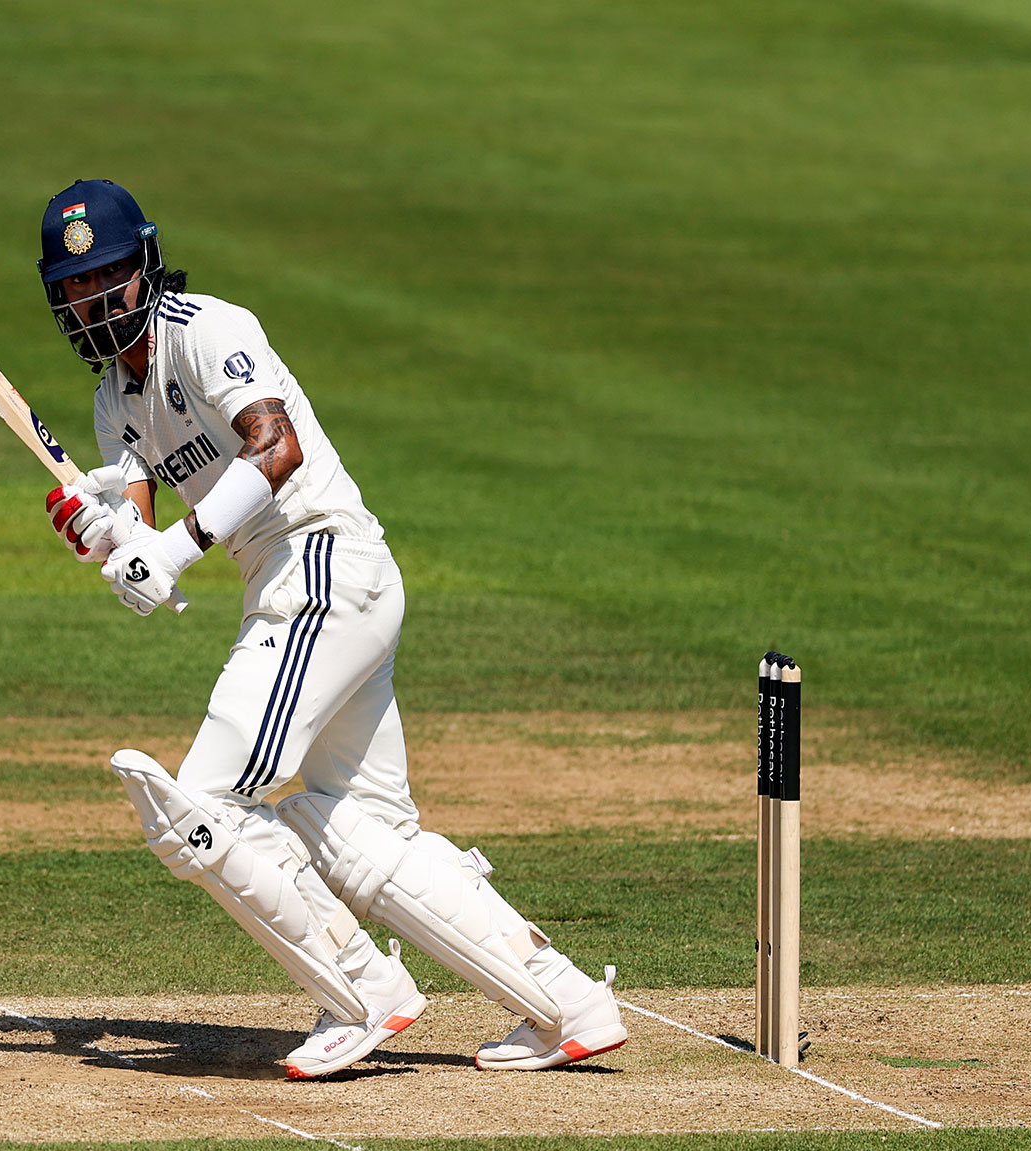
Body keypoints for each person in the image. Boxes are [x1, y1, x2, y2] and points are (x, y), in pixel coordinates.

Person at [38, 178, 628, 1078]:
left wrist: (179, 549)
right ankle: (567, 1004)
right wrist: (110, 536)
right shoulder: (113, 404)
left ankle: (361, 993)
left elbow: (275, 448)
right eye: (73, 287)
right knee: (360, 834)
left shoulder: (208, 329)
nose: (91, 301)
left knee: (201, 802)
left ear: (145, 269)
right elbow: (144, 531)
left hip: (319, 565)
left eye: (106, 278)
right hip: (303, 586)